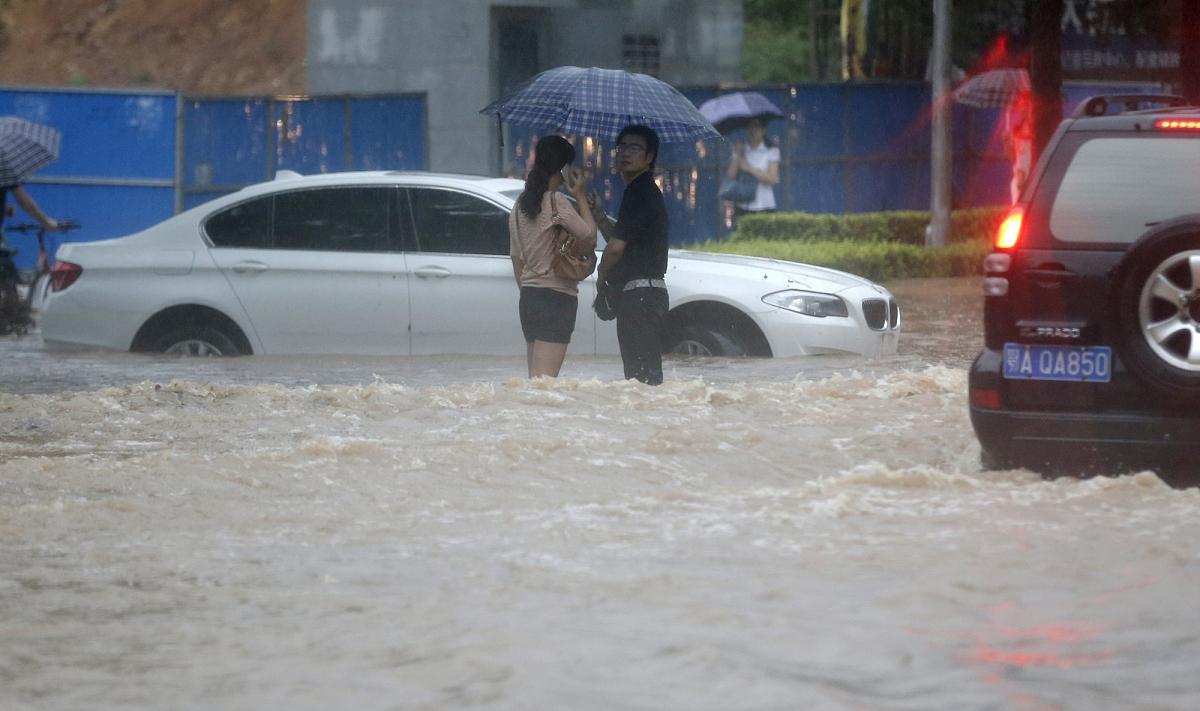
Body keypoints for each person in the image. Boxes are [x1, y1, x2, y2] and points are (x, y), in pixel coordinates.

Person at [509, 134, 596, 378]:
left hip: (529, 298)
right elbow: (589, 238)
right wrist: (580, 195)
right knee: (545, 384)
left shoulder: (519, 206)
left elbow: (516, 259)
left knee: (535, 382)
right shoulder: (556, 202)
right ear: (563, 169)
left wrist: (531, 288)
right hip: (556, 298)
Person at [590, 124, 669, 386]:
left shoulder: (639, 191)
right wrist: (600, 217)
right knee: (643, 380)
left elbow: (615, 249)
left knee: (639, 381)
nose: (625, 153)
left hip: (641, 299)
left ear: (649, 157)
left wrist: (601, 275)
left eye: (634, 147)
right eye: (621, 147)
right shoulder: (639, 191)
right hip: (644, 297)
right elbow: (621, 238)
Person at [0, 183, 59, 331]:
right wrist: (46, 222)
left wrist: (5, 210)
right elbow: (26, 203)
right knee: (8, 280)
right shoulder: (6, 173)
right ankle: (12, 321)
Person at [727, 117, 780, 216]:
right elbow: (731, 175)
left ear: (764, 130)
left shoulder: (771, 150)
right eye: (750, 127)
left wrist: (749, 169)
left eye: (757, 126)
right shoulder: (743, 149)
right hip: (743, 204)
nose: (753, 130)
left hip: (764, 204)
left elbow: (772, 179)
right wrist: (737, 154)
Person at [1004, 88, 1033, 204]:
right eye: (1020, 104)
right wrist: (1007, 142)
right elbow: (1012, 157)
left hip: (1033, 179)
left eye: (1025, 104)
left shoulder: (1039, 130)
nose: (1021, 107)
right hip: (1019, 180)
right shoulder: (1017, 129)